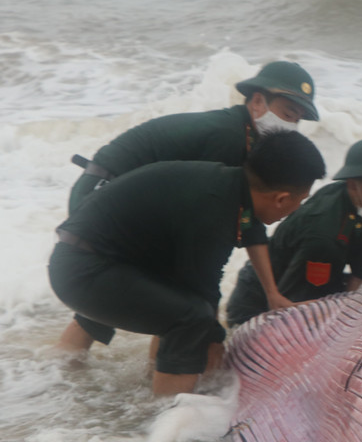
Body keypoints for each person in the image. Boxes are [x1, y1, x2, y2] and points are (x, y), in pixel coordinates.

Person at [48, 131, 326, 395]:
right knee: (193, 320)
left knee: (190, 315)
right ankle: (166, 419)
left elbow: (253, 233)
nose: (297, 209)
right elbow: (201, 289)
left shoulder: (231, 185)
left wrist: (273, 295)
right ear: (281, 199)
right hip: (82, 270)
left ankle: (142, 383)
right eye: (300, 201)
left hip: (98, 261)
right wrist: (215, 341)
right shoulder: (214, 207)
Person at [68, 59, 319, 311]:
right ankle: (158, 349)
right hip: (101, 189)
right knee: (164, 285)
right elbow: (211, 219)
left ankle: (73, 350)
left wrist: (272, 294)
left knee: (152, 286)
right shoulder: (229, 137)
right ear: (256, 101)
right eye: (287, 114)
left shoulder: (248, 139)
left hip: (117, 199)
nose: (291, 126)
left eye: (296, 120)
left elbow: (248, 220)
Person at [225, 136, 362, 327]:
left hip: (293, 284)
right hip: (256, 310)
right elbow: (294, 310)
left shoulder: (351, 200)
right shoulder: (324, 237)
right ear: (354, 185)